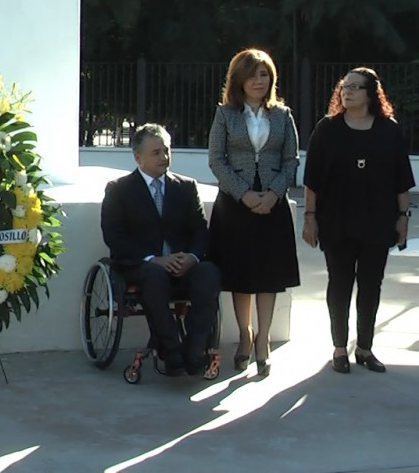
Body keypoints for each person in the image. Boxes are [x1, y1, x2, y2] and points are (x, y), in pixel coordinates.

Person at [302, 67, 414, 374]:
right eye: (344, 86)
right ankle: (340, 348)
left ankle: (365, 348)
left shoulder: (388, 130)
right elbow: (312, 180)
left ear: (370, 94)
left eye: (355, 87)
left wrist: (403, 218)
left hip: (378, 221)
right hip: (336, 220)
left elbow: (401, 181)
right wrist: (309, 218)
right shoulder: (327, 129)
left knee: (371, 284)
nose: (346, 91)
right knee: (339, 283)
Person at [207, 48, 300, 377]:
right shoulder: (226, 115)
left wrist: (274, 194)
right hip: (235, 205)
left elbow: (291, 161)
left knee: (269, 275)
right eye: (252, 75)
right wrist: (244, 194)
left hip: (272, 204)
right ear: (239, 80)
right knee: (242, 274)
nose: (259, 81)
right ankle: (245, 336)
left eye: (264, 74)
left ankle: (264, 339)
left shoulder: (282, 115)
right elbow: (217, 159)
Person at [101, 123, 221, 376]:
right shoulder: (119, 189)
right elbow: (114, 236)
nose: (164, 157)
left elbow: (200, 230)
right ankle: (171, 349)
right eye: (156, 152)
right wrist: (153, 259)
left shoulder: (185, 187)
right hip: (140, 266)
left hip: (181, 265)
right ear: (138, 157)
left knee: (209, 272)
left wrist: (191, 257)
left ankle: (195, 348)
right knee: (154, 275)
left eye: (167, 151)